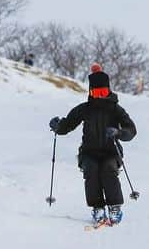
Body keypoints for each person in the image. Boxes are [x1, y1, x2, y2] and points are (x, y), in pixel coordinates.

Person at [49, 64, 137, 225]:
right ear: (90, 92)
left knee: (109, 170)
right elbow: (67, 125)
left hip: (111, 152)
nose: (99, 96)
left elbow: (131, 130)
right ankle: (97, 207)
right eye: (96, 93)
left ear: (108, 90)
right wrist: (57, 126)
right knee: (91, 171)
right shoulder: (85, 109)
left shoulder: (115, 110)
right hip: (89, 152)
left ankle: (114, 207)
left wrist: (118, 133)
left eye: (103, 92)